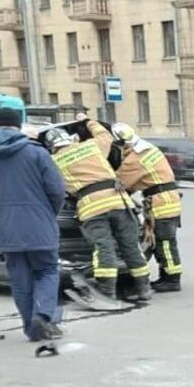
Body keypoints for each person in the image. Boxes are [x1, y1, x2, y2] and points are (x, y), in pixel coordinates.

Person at [0, 107, 67, 343]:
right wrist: (48, 212)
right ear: (19, 125)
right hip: (39, 223)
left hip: (5, 227)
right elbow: (56, 190)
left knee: (19, 278)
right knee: (46, 270)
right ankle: (43, 315)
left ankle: (30, 327)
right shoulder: (37, 153)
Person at [45, 125, 151, 304]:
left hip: (92, 208)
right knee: (131, 246)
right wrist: (88, 121)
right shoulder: (91, 146)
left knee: (104, 248)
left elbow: (54, 189)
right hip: (119, 202)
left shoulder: (52, 161)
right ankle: (143, 288)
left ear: (52, 146)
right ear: (70, 139)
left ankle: (107, 292)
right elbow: (105, 136)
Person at [109, 122, 183, 291]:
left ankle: (172, 280)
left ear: (121, 144)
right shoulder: (147, 149)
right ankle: (167, 277)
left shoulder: (134, 159)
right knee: (161, 241)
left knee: (165, 242)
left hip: (161, 201)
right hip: (167, 199)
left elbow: (122, 184)